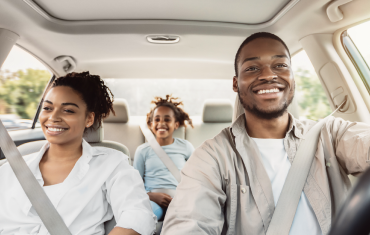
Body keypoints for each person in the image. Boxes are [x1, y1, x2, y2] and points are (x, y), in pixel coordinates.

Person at [161, 32, 370, 235]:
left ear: (293, 77)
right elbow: (189, 222)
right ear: (235, 83)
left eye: (280, 65)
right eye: (252, 68)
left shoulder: (330, 134)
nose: (269, 75)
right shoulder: (211, 156)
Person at [0, 72, 156, 235]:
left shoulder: (111, 164)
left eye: (67, 110)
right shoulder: (10, 168)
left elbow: (139, 216)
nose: (53, 117)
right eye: (47, 108)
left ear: (89, 119)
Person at [133, 95, 195, 222]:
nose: (161, 123)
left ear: (176, 124)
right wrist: (150, 196)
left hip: (180, 200)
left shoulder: (186, 147)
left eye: (167, 120)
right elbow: (134, 185)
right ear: (151, 124)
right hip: (152, 200)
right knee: (144, 217)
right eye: (157, 120)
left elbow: (196, 179)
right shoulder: (143, 150)